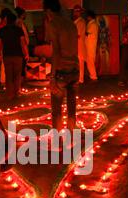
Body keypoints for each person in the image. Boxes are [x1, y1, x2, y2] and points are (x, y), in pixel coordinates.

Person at [44, 0, 79, 131]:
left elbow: (56, 51)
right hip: (75, 69)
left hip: (61, 71)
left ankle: (57, 141)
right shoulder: (71, 24)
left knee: (57, 110)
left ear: (48, 11)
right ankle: (71, 135)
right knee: (71, 108)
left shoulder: (53, 24)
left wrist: (52, 77)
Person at [0, 12, 29, 100]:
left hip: (7, 55)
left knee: (9, 75)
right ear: (15, 21)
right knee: (17, 75)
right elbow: (22, 43)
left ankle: (10, 94)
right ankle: (17, 92)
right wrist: (26, 53)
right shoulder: (19, 30)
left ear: (6, 20)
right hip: (18, 55)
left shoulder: (2, 30)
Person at [15, 7, 29, 83]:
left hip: (22, 45)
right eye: (24, 14)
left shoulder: (20, 22)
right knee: (22, 65)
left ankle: (20, 84)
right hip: (21, 46)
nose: (25, 15)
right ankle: (19, 84)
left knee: (22, 65)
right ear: (21, 15)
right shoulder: (19, 22)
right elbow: (21, 36)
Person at [72, 5, 86, 84]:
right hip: (76, 45)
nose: (75, 13)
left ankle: (80, 79)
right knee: (77, 63)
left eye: (76, 11)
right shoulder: (76, 22)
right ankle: (78, 78)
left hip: (79, 45)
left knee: (80, 63)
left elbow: (78, 35)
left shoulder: (81, 22)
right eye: (74, 11)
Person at [85, 10, 99, 81]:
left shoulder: (93, 24)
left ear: (90, 17)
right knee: (89, 61)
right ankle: (92, 76)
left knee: (90, 61)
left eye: (87, 16)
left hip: (91, 46)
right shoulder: (91, 24)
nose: (86, 18)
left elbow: (87, 33)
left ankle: (94, 77)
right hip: (89, 45)